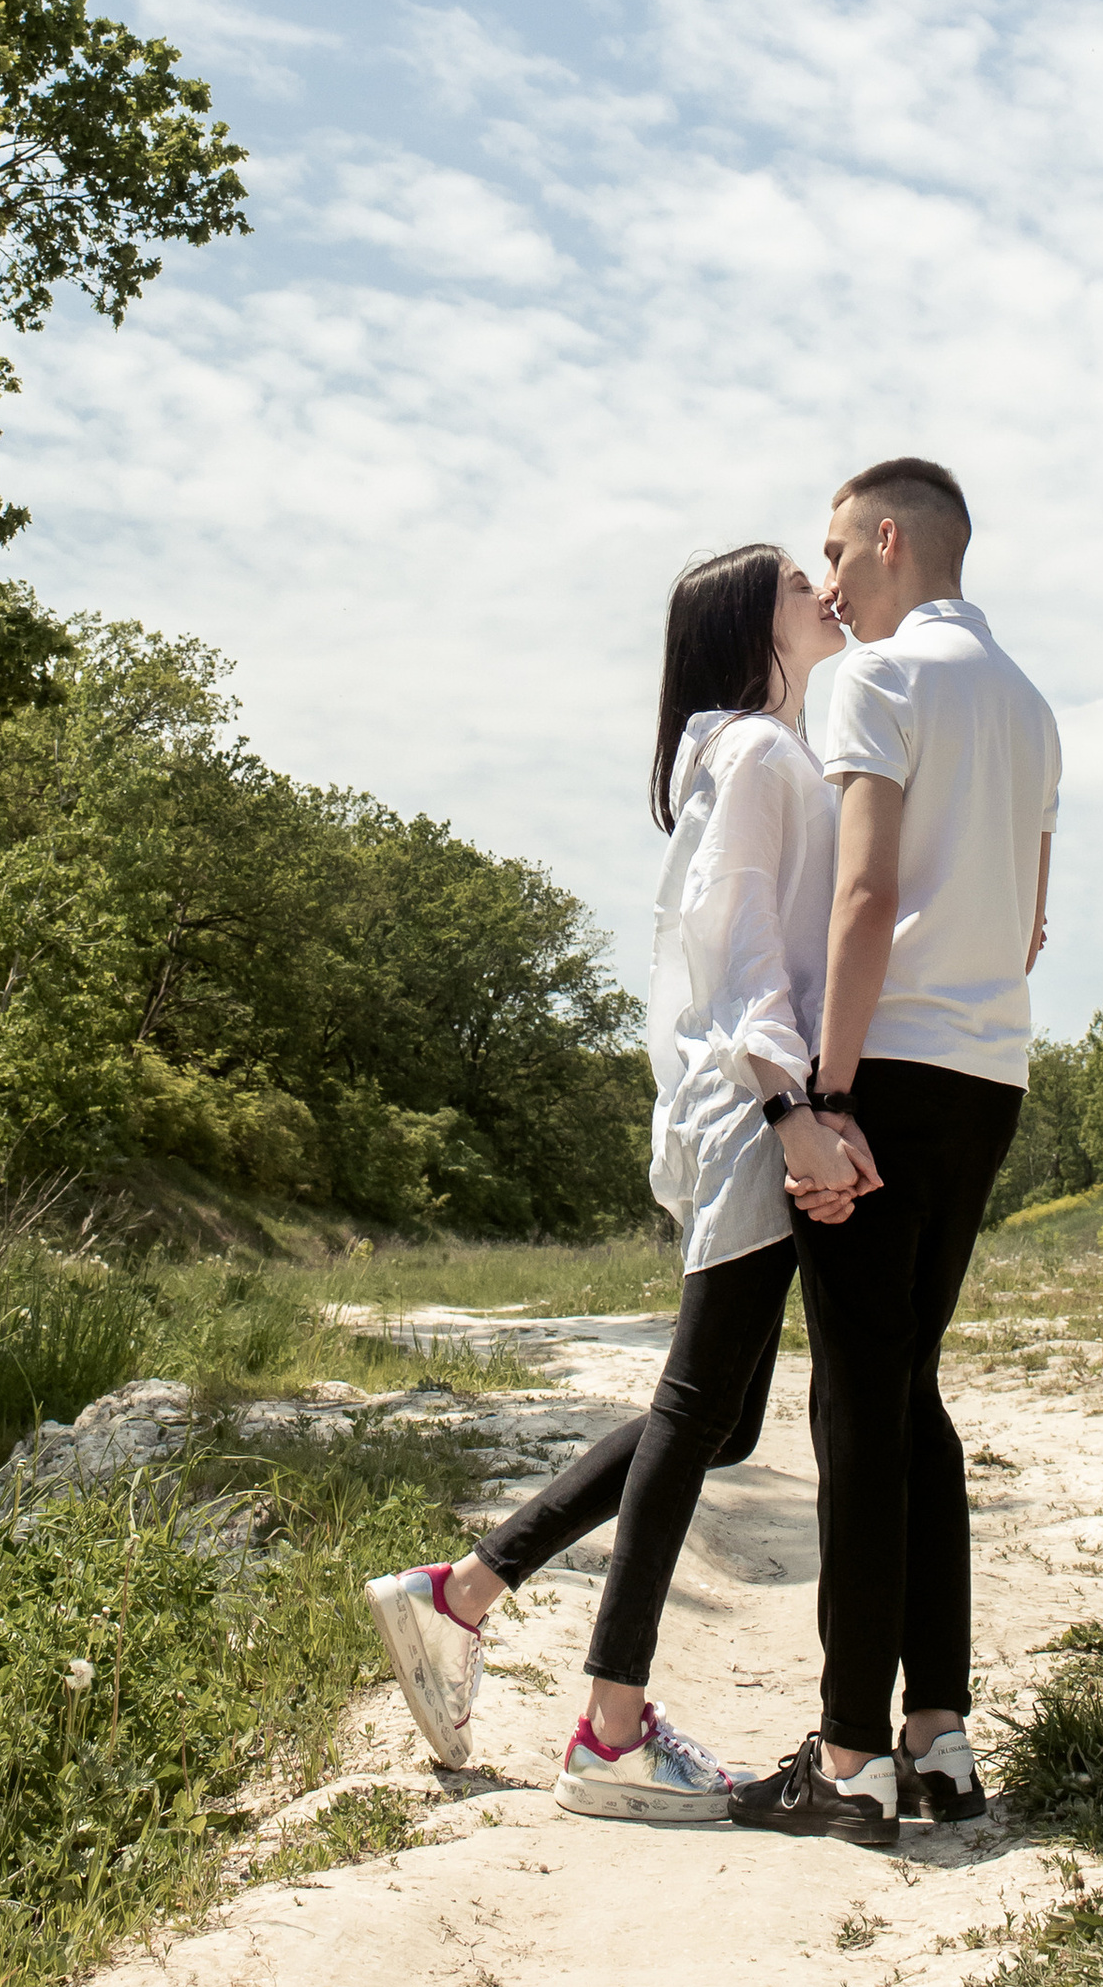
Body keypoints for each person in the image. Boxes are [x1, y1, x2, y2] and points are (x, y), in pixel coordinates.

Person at [367, 539, 865, 1821]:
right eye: (796, 589)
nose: (822, 591)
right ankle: (611, 1729)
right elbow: (738, 938)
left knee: (720, 1418)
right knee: (703, 1406)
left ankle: (464, 1593)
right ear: (753, 630)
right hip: (760, 1109)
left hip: (753, 1103)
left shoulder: (762, 754)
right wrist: (787, 1101)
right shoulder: (758, 755)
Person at [727, 455, 1059, 1847]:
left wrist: (830, 1088)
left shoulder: (881, 682)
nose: (831, 584)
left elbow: (862, 896)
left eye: (835, 554)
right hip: (992, 1075)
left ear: (887, 540)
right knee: (910, 1392)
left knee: (857, 1406)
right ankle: (942, 1738)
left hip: (888, 1066)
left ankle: (852, 1755)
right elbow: (1035, 921)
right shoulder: (1032, 708)